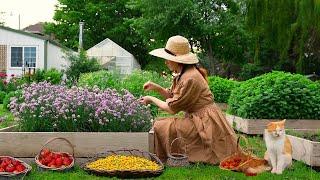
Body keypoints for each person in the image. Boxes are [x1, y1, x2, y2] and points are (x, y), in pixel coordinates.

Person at [140, 35, 238, 165]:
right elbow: (173, 97)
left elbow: (171, 108)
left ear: (178, 60)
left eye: (168, 59)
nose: (166, 62)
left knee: (161, 125)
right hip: (198, 118)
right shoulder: (183, 74)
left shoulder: (190, 78)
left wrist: (151, 99)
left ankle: (171, 157)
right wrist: (156, 87)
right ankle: (169, 156)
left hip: (206, 122)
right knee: (161, 123)